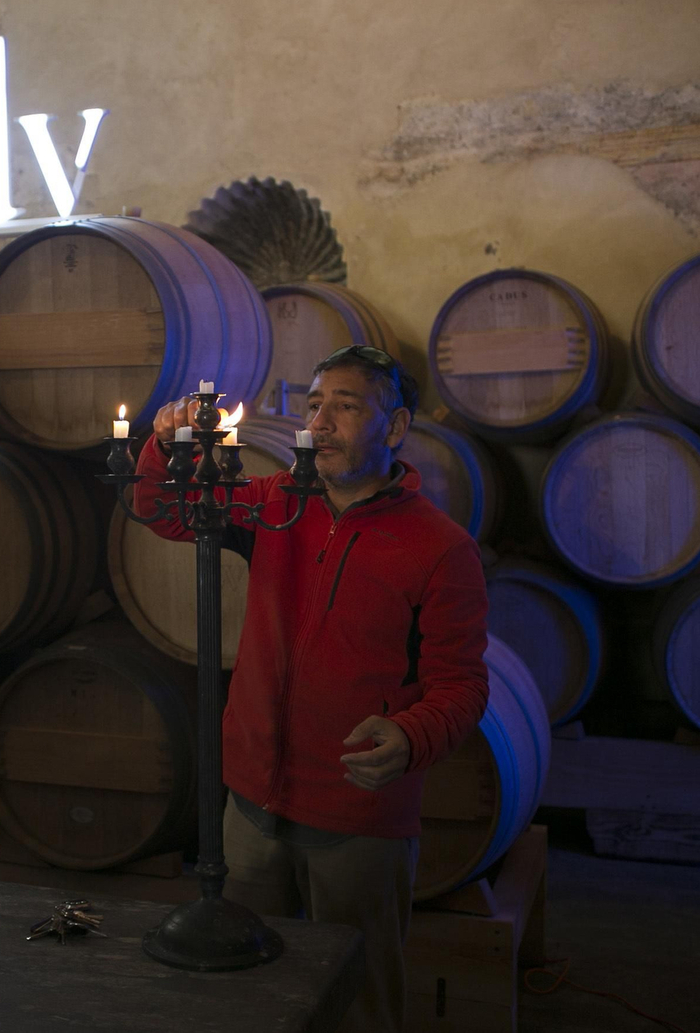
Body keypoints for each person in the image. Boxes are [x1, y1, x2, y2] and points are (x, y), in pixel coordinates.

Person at [134, 345, 489, 1032]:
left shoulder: (440, 548)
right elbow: (167, 512)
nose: (322, 422)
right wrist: (161, 444)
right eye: (315, 405)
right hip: (252, 802)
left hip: (357, 815)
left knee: (360, 995)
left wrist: (412, 734)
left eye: (347, 407)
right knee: (248, 992)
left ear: (394, 428)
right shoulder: (275, 504)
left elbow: (462, 684)